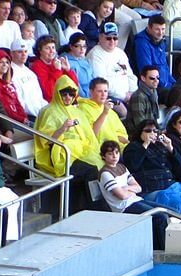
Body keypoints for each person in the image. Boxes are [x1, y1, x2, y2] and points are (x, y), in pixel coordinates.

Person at [34, 76, 102, 213]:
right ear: (57, 93)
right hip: (60, 155)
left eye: (71, 94)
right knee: (91, 170)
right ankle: (95, 207)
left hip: (80, 152)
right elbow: (45, 140)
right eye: (64, 94)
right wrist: (62, 129)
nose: (67, 97)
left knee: (101, 165)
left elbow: (88, 135)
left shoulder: (76, 111)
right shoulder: (49, 111)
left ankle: (86, 207)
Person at [97, 140, 167, 249]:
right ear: (103, 156)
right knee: (160, 217)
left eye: (116, 152)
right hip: (124, 207)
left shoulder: (122, 167)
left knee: (170, 212)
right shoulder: (105, 173)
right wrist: (129, 191)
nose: (114, 156)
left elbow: (138, 188)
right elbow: (122, 196)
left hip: (136, 200)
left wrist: (126, 188)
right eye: (110, 154)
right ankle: (160, 250)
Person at [87, 23, 137, 102]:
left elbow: (130, 76)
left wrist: (133, 93)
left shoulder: (120, 53)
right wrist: (124, 96)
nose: (112, 41)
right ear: (100, 37)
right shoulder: (95, 55)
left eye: (115, 38)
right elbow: (101, 82)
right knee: (124, 112)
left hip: (129, 95)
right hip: (109, 96)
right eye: (108, 38)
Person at [131, 15, 178, 92]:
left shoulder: (160, 41)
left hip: (166, 84)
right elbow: (147, 71)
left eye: (163, 29)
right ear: (149, 28)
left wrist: (174, 83)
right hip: (155, 87)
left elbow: (165, 66)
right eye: (157, 29)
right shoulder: (141, 43)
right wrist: (167, 86)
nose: (160, 33)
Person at [79, 77, 129, 146]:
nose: (103, 94)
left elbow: (120, 133)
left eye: (105, 91)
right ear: (91, 92)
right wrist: (104, 113)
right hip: (99, 151)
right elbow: (91, 135)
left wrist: (128, 144)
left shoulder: (110, 111)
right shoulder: (83, 108)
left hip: (116, 149)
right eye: (99, 91)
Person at [0, 49, 28, 126]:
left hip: (20, 120)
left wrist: (24, 117)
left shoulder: (8, 82)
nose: (5, 65)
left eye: (7, 62)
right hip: (8, 123)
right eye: (1, 62)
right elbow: (4, 108)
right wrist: (21, 119)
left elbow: (17, 102)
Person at [32, 35, 80, 101]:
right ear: (40, 51)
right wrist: (57, 71)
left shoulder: (57, 62)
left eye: (53, 47)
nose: (52, 51)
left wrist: (68, 70)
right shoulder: (37, 66)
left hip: (67, 100)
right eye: (47, 48)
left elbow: (75, 86)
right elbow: (49, 93)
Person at [8, 37, 46, 119]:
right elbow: (20, 103)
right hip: (29, 117)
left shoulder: (30, 73)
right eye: (19, 52)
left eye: (25, 51)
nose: (23, 54)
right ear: (12, 53)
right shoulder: (9, 73)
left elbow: (39, 97)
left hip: (41, 113)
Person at [127, 65, 160, 133]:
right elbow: (140, 125)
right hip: (139, 135)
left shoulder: (153, 92)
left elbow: (155, 118)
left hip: (151, 132)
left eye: (158, 78)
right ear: (143, 78)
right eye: (152, 78)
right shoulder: (138, 96)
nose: (156, 81)